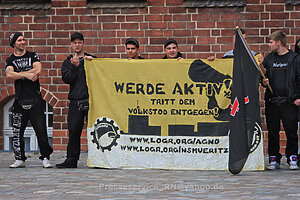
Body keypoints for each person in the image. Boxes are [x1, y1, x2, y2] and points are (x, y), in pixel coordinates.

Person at [5, 32, 53, 168]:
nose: (22, 42)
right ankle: (19, 159)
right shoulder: (10, 60)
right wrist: (26, 74)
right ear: (13, 43)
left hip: (35, 99)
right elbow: (9, 74)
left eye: (23, 39)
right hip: (20, 100)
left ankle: (45, 158)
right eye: (19, 40)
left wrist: (20, 74)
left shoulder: (32, 55)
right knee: (17, 131)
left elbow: (38, 69)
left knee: (41, 130)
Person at [259, 30, 300, 170]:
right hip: (272, 101)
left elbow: (299, 79)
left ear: (278, 43)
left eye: (271, 42)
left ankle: (292, 158)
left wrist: (298, 97)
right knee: (272, 132)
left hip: (289, 102)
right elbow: (262, 76)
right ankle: (273, 159)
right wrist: (263, 81)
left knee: (291, 131)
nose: (269, 45)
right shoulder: (269, 59)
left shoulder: (294, 58)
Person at [56, 32, 96, 168]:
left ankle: (98, 159)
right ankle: (71, 160)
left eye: (79, 42)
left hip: (92, 101)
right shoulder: (68, 62)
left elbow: (102, 73)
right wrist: (75, 66)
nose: (77, 45)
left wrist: (94, 62)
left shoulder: (92, 60)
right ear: (71, 45)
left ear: (83, 43)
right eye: (75, 42)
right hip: (76, 101)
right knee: (74, 131)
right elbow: (67, 79)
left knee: (95, 130)